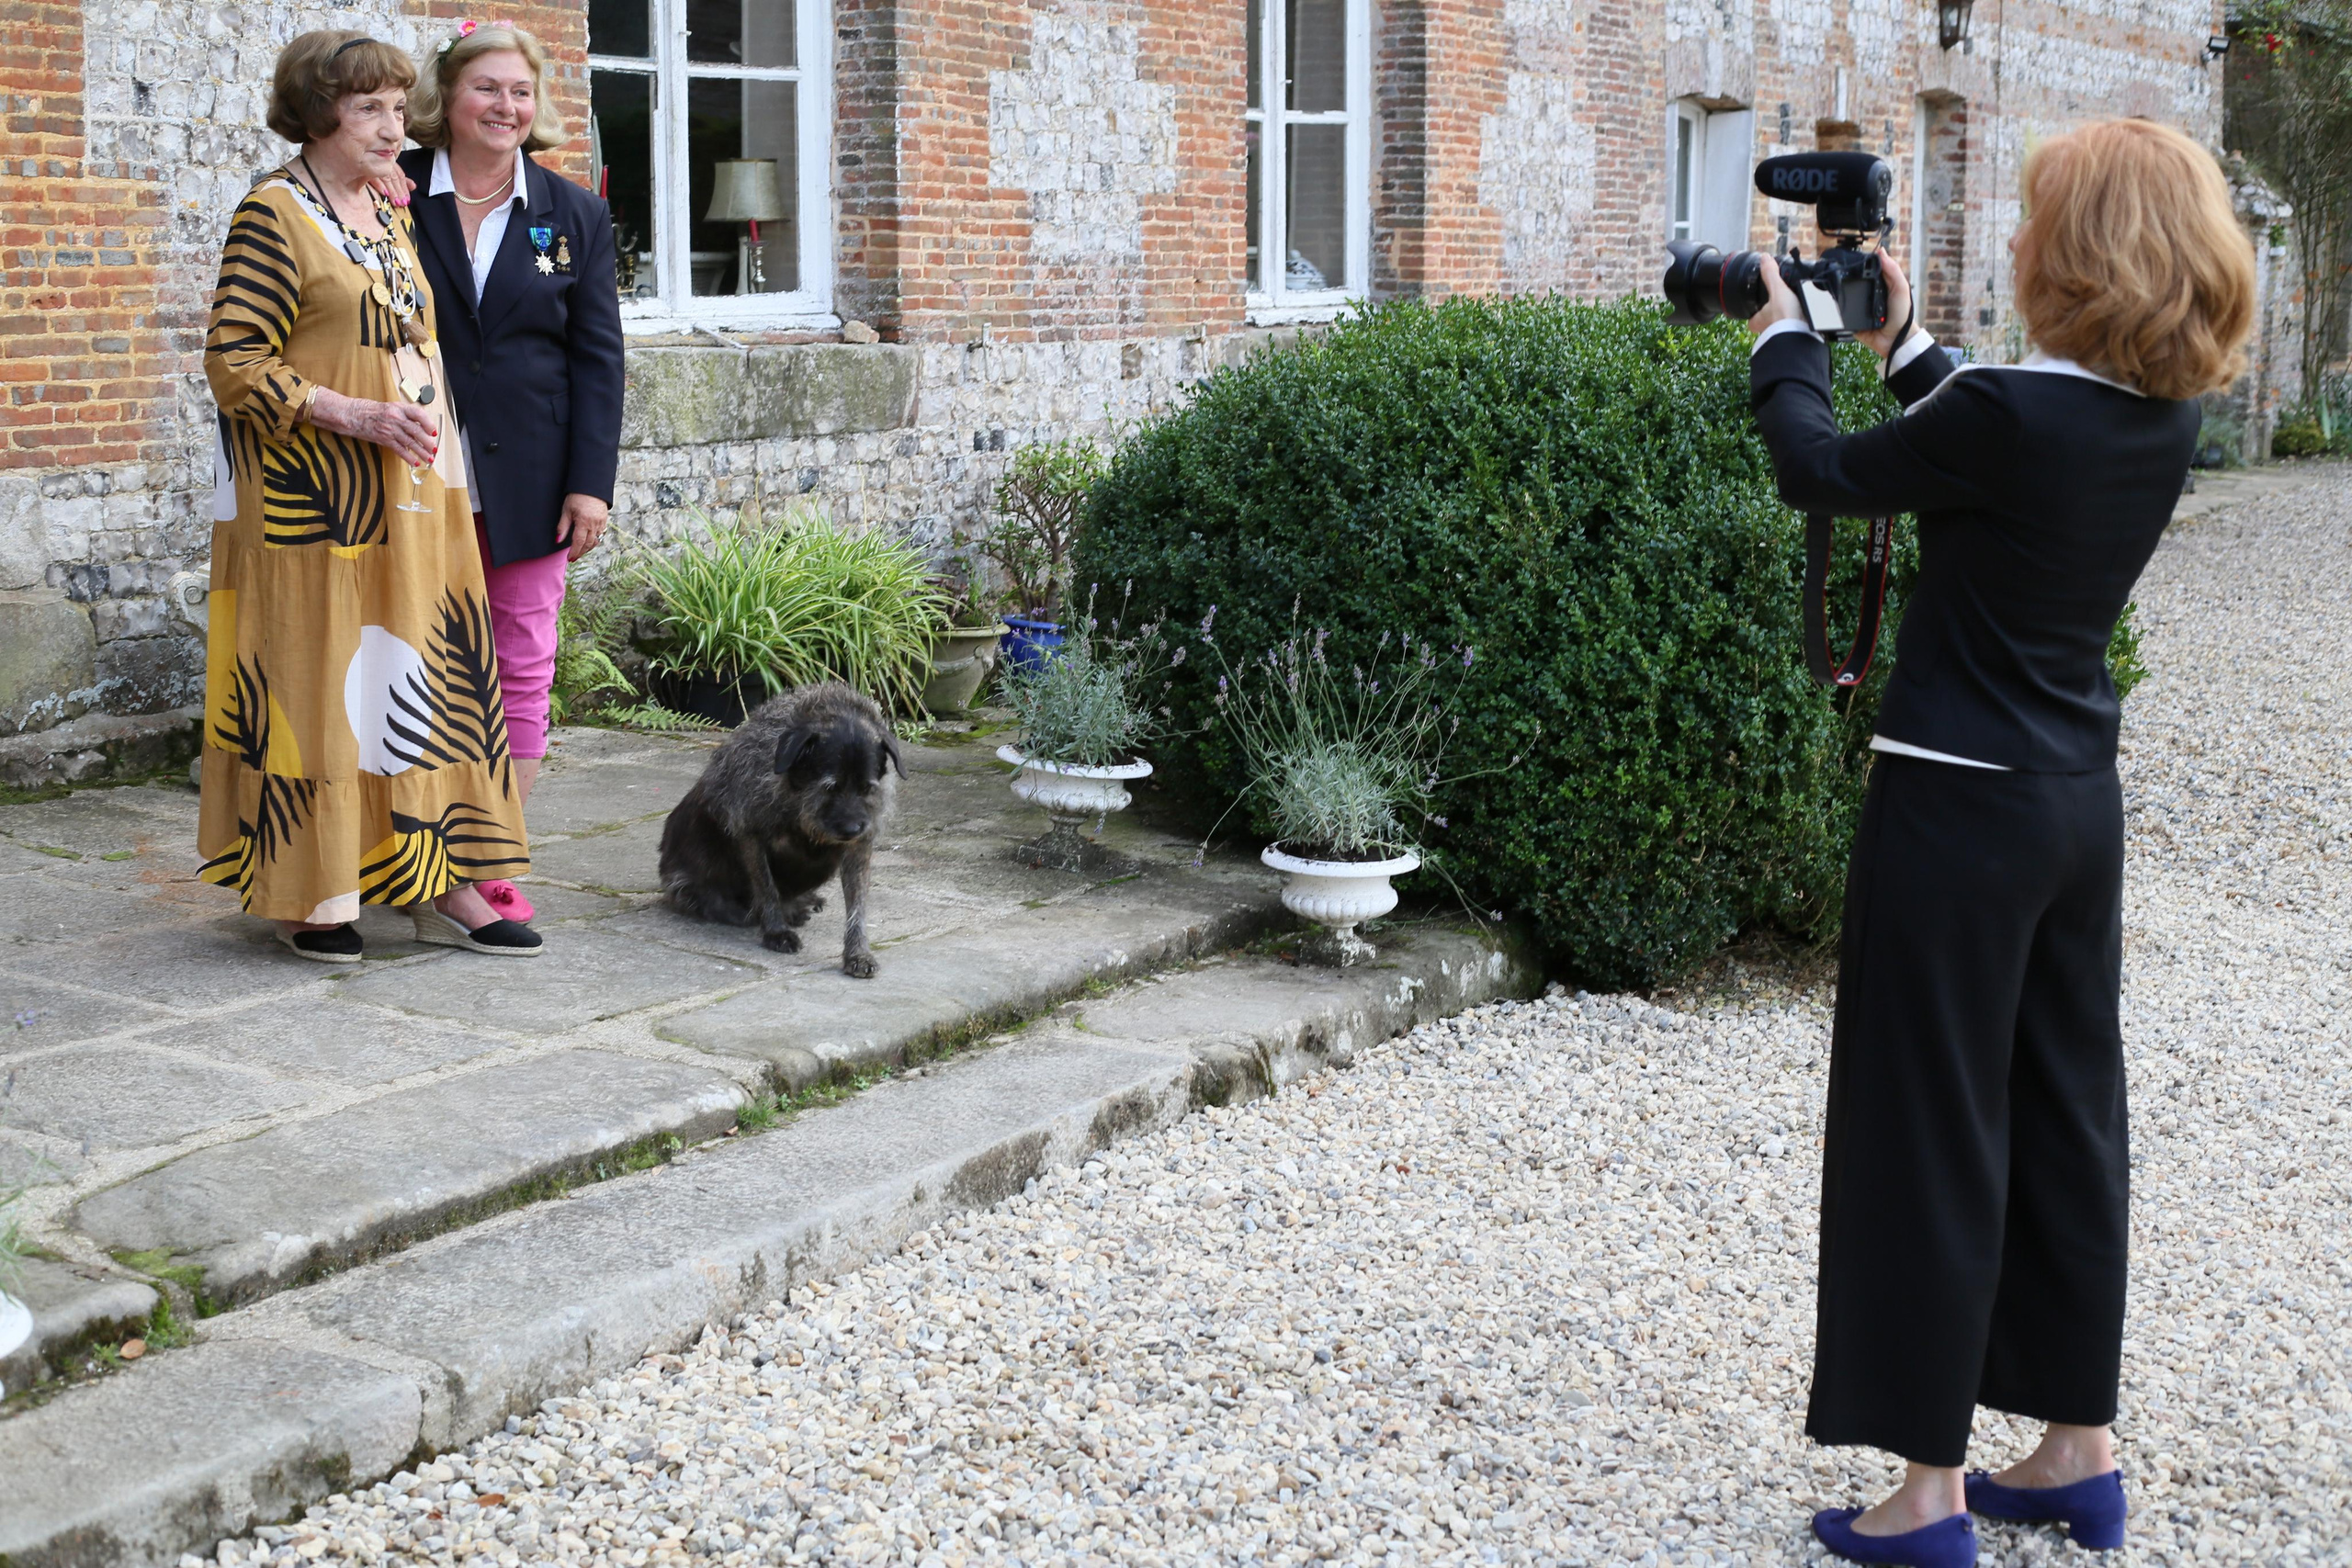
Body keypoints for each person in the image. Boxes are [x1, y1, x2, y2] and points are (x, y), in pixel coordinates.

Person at [1746, 119, 2254, 1567]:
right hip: (2071, 806)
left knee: (1928, 1126)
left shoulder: (2009, 414)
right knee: (2066, 1113)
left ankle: (1926, 1491)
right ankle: (2078, 1451)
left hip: (1954, 807)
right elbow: (1992, 450)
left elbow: (1822, 469)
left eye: (2036, 221)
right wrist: (1904, 344)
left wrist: (1785, 341)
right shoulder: (2157, 417)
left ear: (2082, 252)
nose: (2017, 241)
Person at [200, 29, 542, 961]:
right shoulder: (273, 215)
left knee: (427, 681)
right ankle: (311, 891)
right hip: (316, 506)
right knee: (319, 682)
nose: (395, 129)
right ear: (319, 116)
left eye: (398, 109)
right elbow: (234, 362)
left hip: (414, 497)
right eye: (369, 111)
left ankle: (446, 876)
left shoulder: (385, 208)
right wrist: (352, 414)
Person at [399, 21, 625, 924]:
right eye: (486, 88)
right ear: (447, 96)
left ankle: (487, 857)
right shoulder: (390, 191)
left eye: (520, 91)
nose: (506, 106)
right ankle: (401, 853)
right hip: (413, 472)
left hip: (534, 481)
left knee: (521, 669)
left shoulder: (574, 212)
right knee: (414, 661)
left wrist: (591, 483)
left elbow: (598, 359)